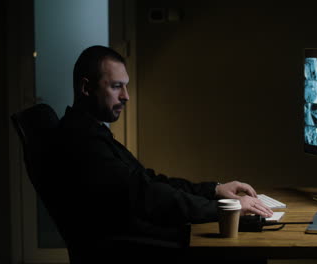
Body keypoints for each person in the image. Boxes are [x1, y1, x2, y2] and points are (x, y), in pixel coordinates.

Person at [48, 45, 272, 261]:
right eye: (116, 86)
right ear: (86, 88)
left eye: (125, 86)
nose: (126, 96)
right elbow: (147, 196)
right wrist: (226, 208)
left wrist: (214, 190)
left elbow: (149, 180)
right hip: (136, 249)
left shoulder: (92, 131)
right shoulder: (82, 141)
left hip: (144, 239)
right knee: (244, 250)